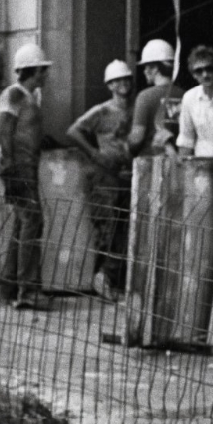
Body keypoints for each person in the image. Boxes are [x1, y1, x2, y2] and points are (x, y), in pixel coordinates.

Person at [66, 59, 134, 301]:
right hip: (106, 177)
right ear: (110, 85)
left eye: (125, 79)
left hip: (129, 175)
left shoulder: (136, 109)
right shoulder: (102, 111)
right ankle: (101, 278)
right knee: (108, 227)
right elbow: (73, 131)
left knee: (125, 229)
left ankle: (113, 279)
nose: (122, 84)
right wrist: (95, 154)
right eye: (117, 81)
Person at [0, 42, 51, 310]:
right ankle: (27, 290)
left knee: (23, 224)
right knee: (32, 223)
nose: (46, 76)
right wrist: (9, 166)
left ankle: (8, 287)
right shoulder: (14, 94)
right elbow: (5, 129)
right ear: (34, 71)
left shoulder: (28, 98)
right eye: (43, 70)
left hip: (25, 167)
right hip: (18, 168)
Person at [127, 39, 183, 157]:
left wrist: (127, 146)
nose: (145, 71)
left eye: (146, 67)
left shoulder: (145, 97)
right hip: (178, 163)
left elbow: (137, 138)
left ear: (156, 68)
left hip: (151, 163)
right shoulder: (185, 95)